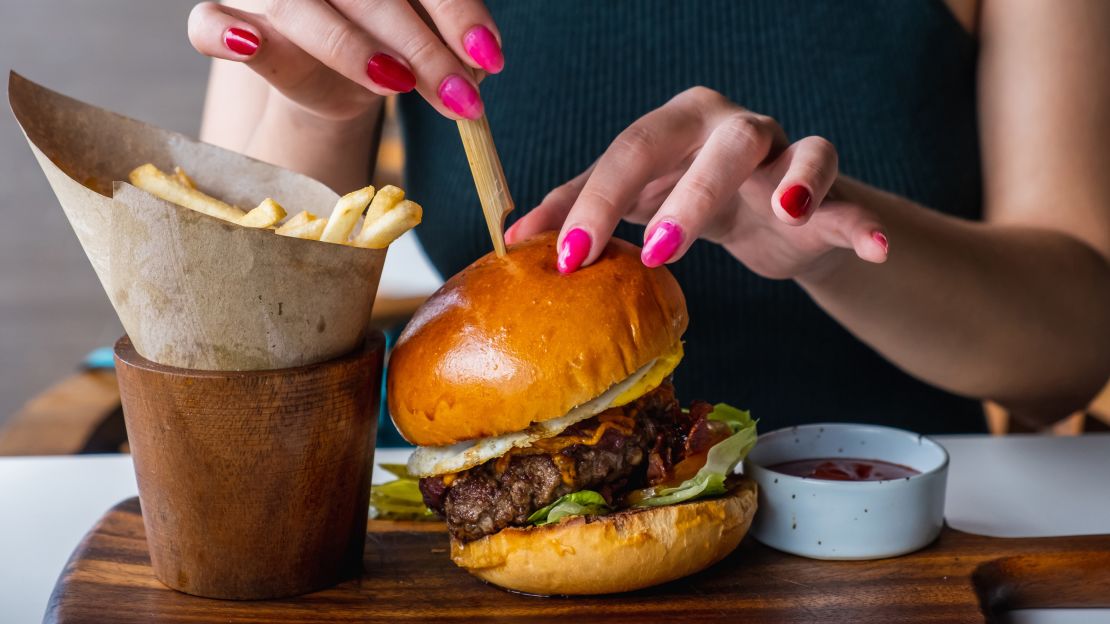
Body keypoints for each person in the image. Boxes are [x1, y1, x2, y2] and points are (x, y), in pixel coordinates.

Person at [189, 0, 1110, 434]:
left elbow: (1074, 351)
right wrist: (319, 106)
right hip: (433, 562)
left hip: (888, 543)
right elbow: (216, 358)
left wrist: (829, 247)